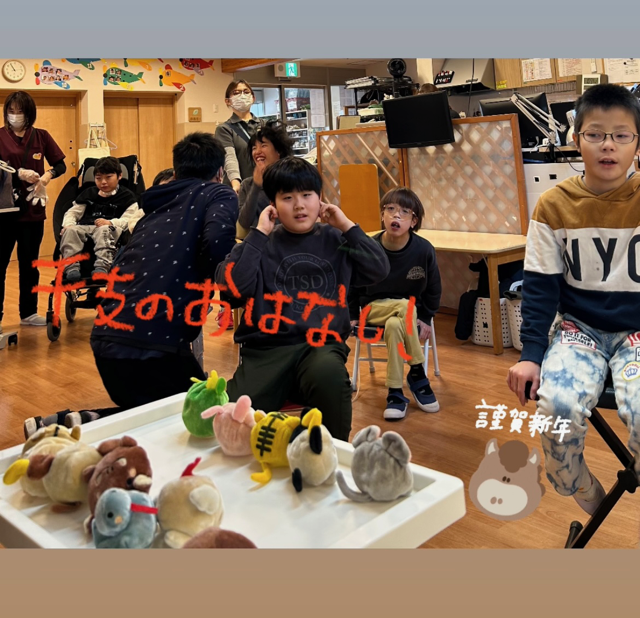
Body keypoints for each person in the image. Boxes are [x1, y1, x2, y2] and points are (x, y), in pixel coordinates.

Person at [22, 132, 239, 438]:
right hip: (153, 343)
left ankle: (75, 422)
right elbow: (218, 247)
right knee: (203, 416)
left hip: (107, 337)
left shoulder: (153, 207)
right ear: (219, 173)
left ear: (176, 172)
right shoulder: (218, 194)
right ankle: (85, 425)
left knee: (155, 414)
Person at [507, 84, 640, 516]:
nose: (608, 145)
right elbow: (540, 285)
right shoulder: (553, 205)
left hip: (638, 333)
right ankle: (580, 487)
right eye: (595, 134)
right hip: (579, 329)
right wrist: (531, 354)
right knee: (557, 409)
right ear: (576, 139)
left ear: (637, 143)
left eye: (621, 135)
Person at [215, 156, 390, 441]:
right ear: (272, 204)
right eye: (287, 197)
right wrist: (258, 234)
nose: (299, 205)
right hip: (266, 350)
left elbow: (379, 269)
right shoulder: (260, 242)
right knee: (232, 422)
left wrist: (346, 225)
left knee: (329, 375)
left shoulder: (336, 239)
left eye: (307, 195)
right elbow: (233, 291)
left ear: (320, 198)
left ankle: (331, 454)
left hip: (321, 346)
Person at [349, 188, 442, 420]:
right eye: (390, 209)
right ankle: (417, 371)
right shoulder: (369, 248)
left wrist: (426, 317)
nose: (396, 215)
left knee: (394, 324)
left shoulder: (424, 250)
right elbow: (352, 286)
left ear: (414, 221)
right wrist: (351, 315)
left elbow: (434, 288)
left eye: (404, 211)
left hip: (407, 315)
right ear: (383, 215)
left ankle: (395, 392)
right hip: (373, 309)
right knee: (404, 307)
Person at [0, 91, 67, 334]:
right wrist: (18, 173)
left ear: (29, 113)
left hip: (32, 209)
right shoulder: (0, 136)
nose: (15, 115)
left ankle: (28, 312)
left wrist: (48, 176)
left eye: (20, 111)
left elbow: (60, 164)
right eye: (11, 111)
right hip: (4, 211)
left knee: (30, 263)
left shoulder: (41, 136)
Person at [60, 156, 139, 281]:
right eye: (98, 178)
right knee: (71, 231)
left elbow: (129, 220)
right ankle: (71, 268)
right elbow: (73, 212)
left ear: (119, 176)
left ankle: (102, 267)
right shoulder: (88, 193)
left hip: (110, 228)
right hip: (86, 226)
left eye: (108, 177)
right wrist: (68, 224)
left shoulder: (127, 196)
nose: (103, 182)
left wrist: (110, 222)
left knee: (104, 230)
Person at [236, 121, 294, 239]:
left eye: (263, 146)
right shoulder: (247, 185)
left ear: (278, 151)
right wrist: (256, 186)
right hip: (259, 242)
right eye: (254, 148)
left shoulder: (291, 179)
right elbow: (244, 223)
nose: (257, 152)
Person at [215, 80, 262, 194]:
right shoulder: (224, 129)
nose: (242, 95)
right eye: (236, 93)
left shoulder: (265, 125)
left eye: (246, 92)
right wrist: (236, 183)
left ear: (253, 98)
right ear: (227, 101)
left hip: (264, 186)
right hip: (238, 189)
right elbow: (229, 157)